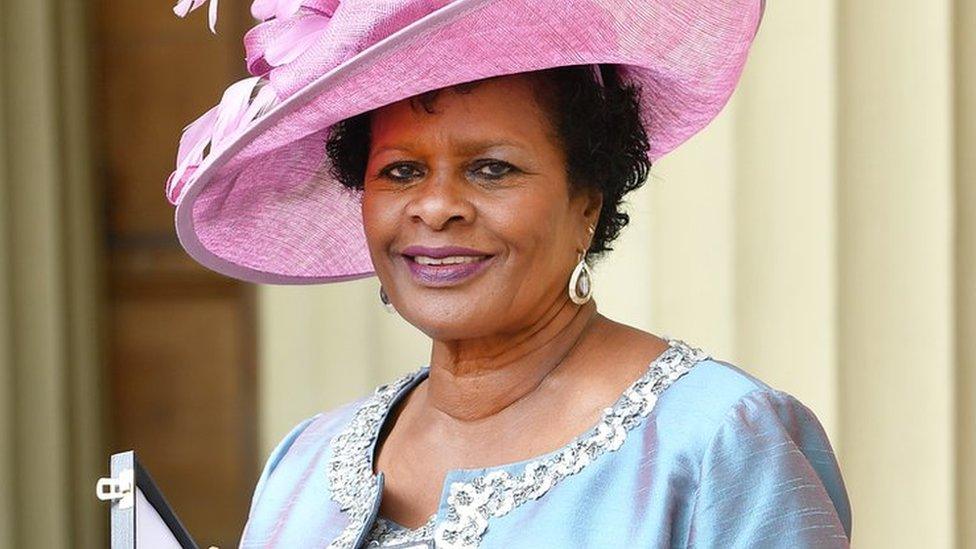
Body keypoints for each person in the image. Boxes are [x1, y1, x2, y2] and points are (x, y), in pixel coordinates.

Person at [166, 0, 852, 547]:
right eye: (400, 171)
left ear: (589, 199)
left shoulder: (718, 441)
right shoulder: (306, 463)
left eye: (491, 168)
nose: (436, 208)